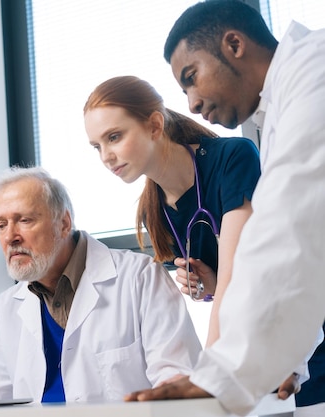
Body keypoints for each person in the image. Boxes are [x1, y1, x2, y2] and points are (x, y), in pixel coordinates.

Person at [124, 2, 325, 416]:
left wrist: (227, 373)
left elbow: (289, 234)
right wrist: (275, 359)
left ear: (234, 44)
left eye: (192, 78)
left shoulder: (314, 75)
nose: (193, 104)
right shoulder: (282, 104)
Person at [0, 166, 202, 403]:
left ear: (63, 223)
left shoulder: (140, 277)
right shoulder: (9, 305)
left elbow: (177, 380)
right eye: (1, 225)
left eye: (25, 220)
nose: (10, 236)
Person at [83, 75, 260, 347]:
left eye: (114, 137)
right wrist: (207, 287)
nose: (106, 156)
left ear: (154, 126)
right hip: (255, 335)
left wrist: (210, 369)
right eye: (97, 147)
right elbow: (222, 289)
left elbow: (236, 276)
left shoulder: (233, 158)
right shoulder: (153, 212)